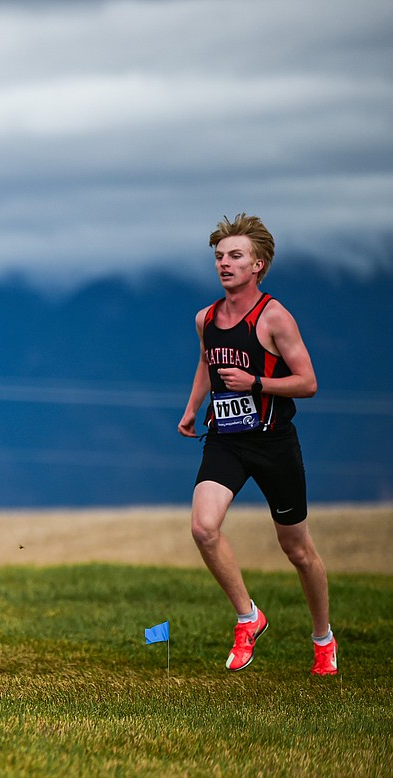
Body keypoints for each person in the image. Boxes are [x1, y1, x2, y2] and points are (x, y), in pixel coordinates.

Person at [178, 213, 336, 676]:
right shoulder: (206, 318)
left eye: (236, 256)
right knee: (204, 528)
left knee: (297, 549)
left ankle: (323, 639)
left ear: (258, 265)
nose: (225, 264)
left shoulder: (274, 317)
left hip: (273, 442)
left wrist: (257, 383)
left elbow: (307, 383)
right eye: (220, 257)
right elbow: (208, 363)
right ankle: (249, 616)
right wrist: (192, 407)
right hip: (225, 439)